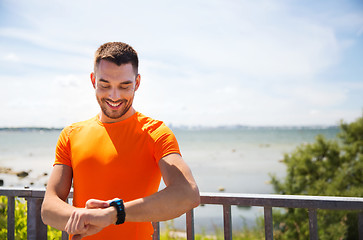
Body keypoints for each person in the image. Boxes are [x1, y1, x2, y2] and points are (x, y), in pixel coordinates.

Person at [41, 42, 200, 240]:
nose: (114, 96)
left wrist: (113, 214)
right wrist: (83, 217)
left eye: (124, 86)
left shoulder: (156, 133)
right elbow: (48, 207)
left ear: (137, 83)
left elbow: (187, 194)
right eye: (105, 85)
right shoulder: (71, 134)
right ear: (93, 80)